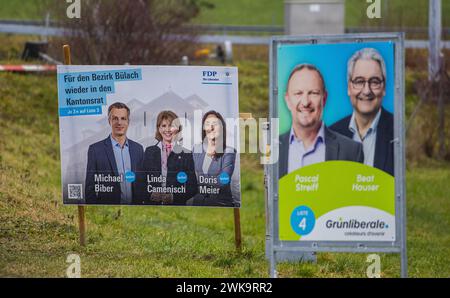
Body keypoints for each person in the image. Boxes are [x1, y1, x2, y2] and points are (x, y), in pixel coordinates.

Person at [279, 63, 364, 178]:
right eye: (298, 93)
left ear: (324, 99)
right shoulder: (272, 149)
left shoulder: (351, 151)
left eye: (313, 93)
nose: (305, 102)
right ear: (288, 100)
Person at [330, 48, 394, 176]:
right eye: (359, 81)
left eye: (374, 82)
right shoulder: (332, 134)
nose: (366, 91)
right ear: (349, 87)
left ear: (384, 88)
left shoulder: (397, 132)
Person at [85, 102, 144, 205]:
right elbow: (90, 188)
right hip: (108, 211)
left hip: (135, 211)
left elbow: (143, 182)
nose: (119, 123)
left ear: (128, 122)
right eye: (115, 118)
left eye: (123, 118)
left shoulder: (138, 149)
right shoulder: (95, 150)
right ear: (109, 121)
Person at [136, 110, 197, 205]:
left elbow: (193, 187)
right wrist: (150, 195)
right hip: (152, 208)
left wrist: (173, 197)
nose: (167, 130)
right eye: (163, 126)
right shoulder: (149, 151)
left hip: (176, 210)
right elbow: (139, 183)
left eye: (171, 126)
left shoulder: (186, 153)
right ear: (159, 129)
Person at [189, 110, 237, 207]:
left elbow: (223, 181)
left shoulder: (229, 151)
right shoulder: (196, 149)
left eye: (215, 123)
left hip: (220, 204)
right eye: (207, 124)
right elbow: (190, 177)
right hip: (198, 203)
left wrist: (200, 184)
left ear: (222, 127)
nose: (211, 127)